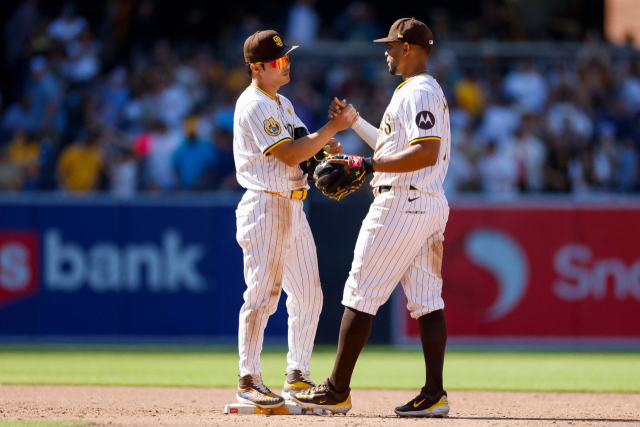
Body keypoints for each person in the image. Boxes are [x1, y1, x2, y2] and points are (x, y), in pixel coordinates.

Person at [291, 18, 451, 418]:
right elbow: (396, 145)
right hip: (425, 203)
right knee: (427, 302)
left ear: (408, 48)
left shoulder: (420, 90)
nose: (386, 52)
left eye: (392, 46)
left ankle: (336, 390)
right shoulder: (416, 90)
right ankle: (434, 394)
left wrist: (365, 162)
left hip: (402, 204)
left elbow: (425, 152)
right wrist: (355, 123)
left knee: (360, 294)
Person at [233, 30, 358, 408]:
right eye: (278, 61)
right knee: (262, 295)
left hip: (294, 206)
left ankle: (296, 375)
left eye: (287, 58)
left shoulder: (282, 103)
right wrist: (332, 129)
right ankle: (248, 378)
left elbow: (306, 154)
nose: (286, 65)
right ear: (256, 68)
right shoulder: (254, 104)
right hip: (266, 205)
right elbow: (288, 155)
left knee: (309, 293)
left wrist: (327, 146)